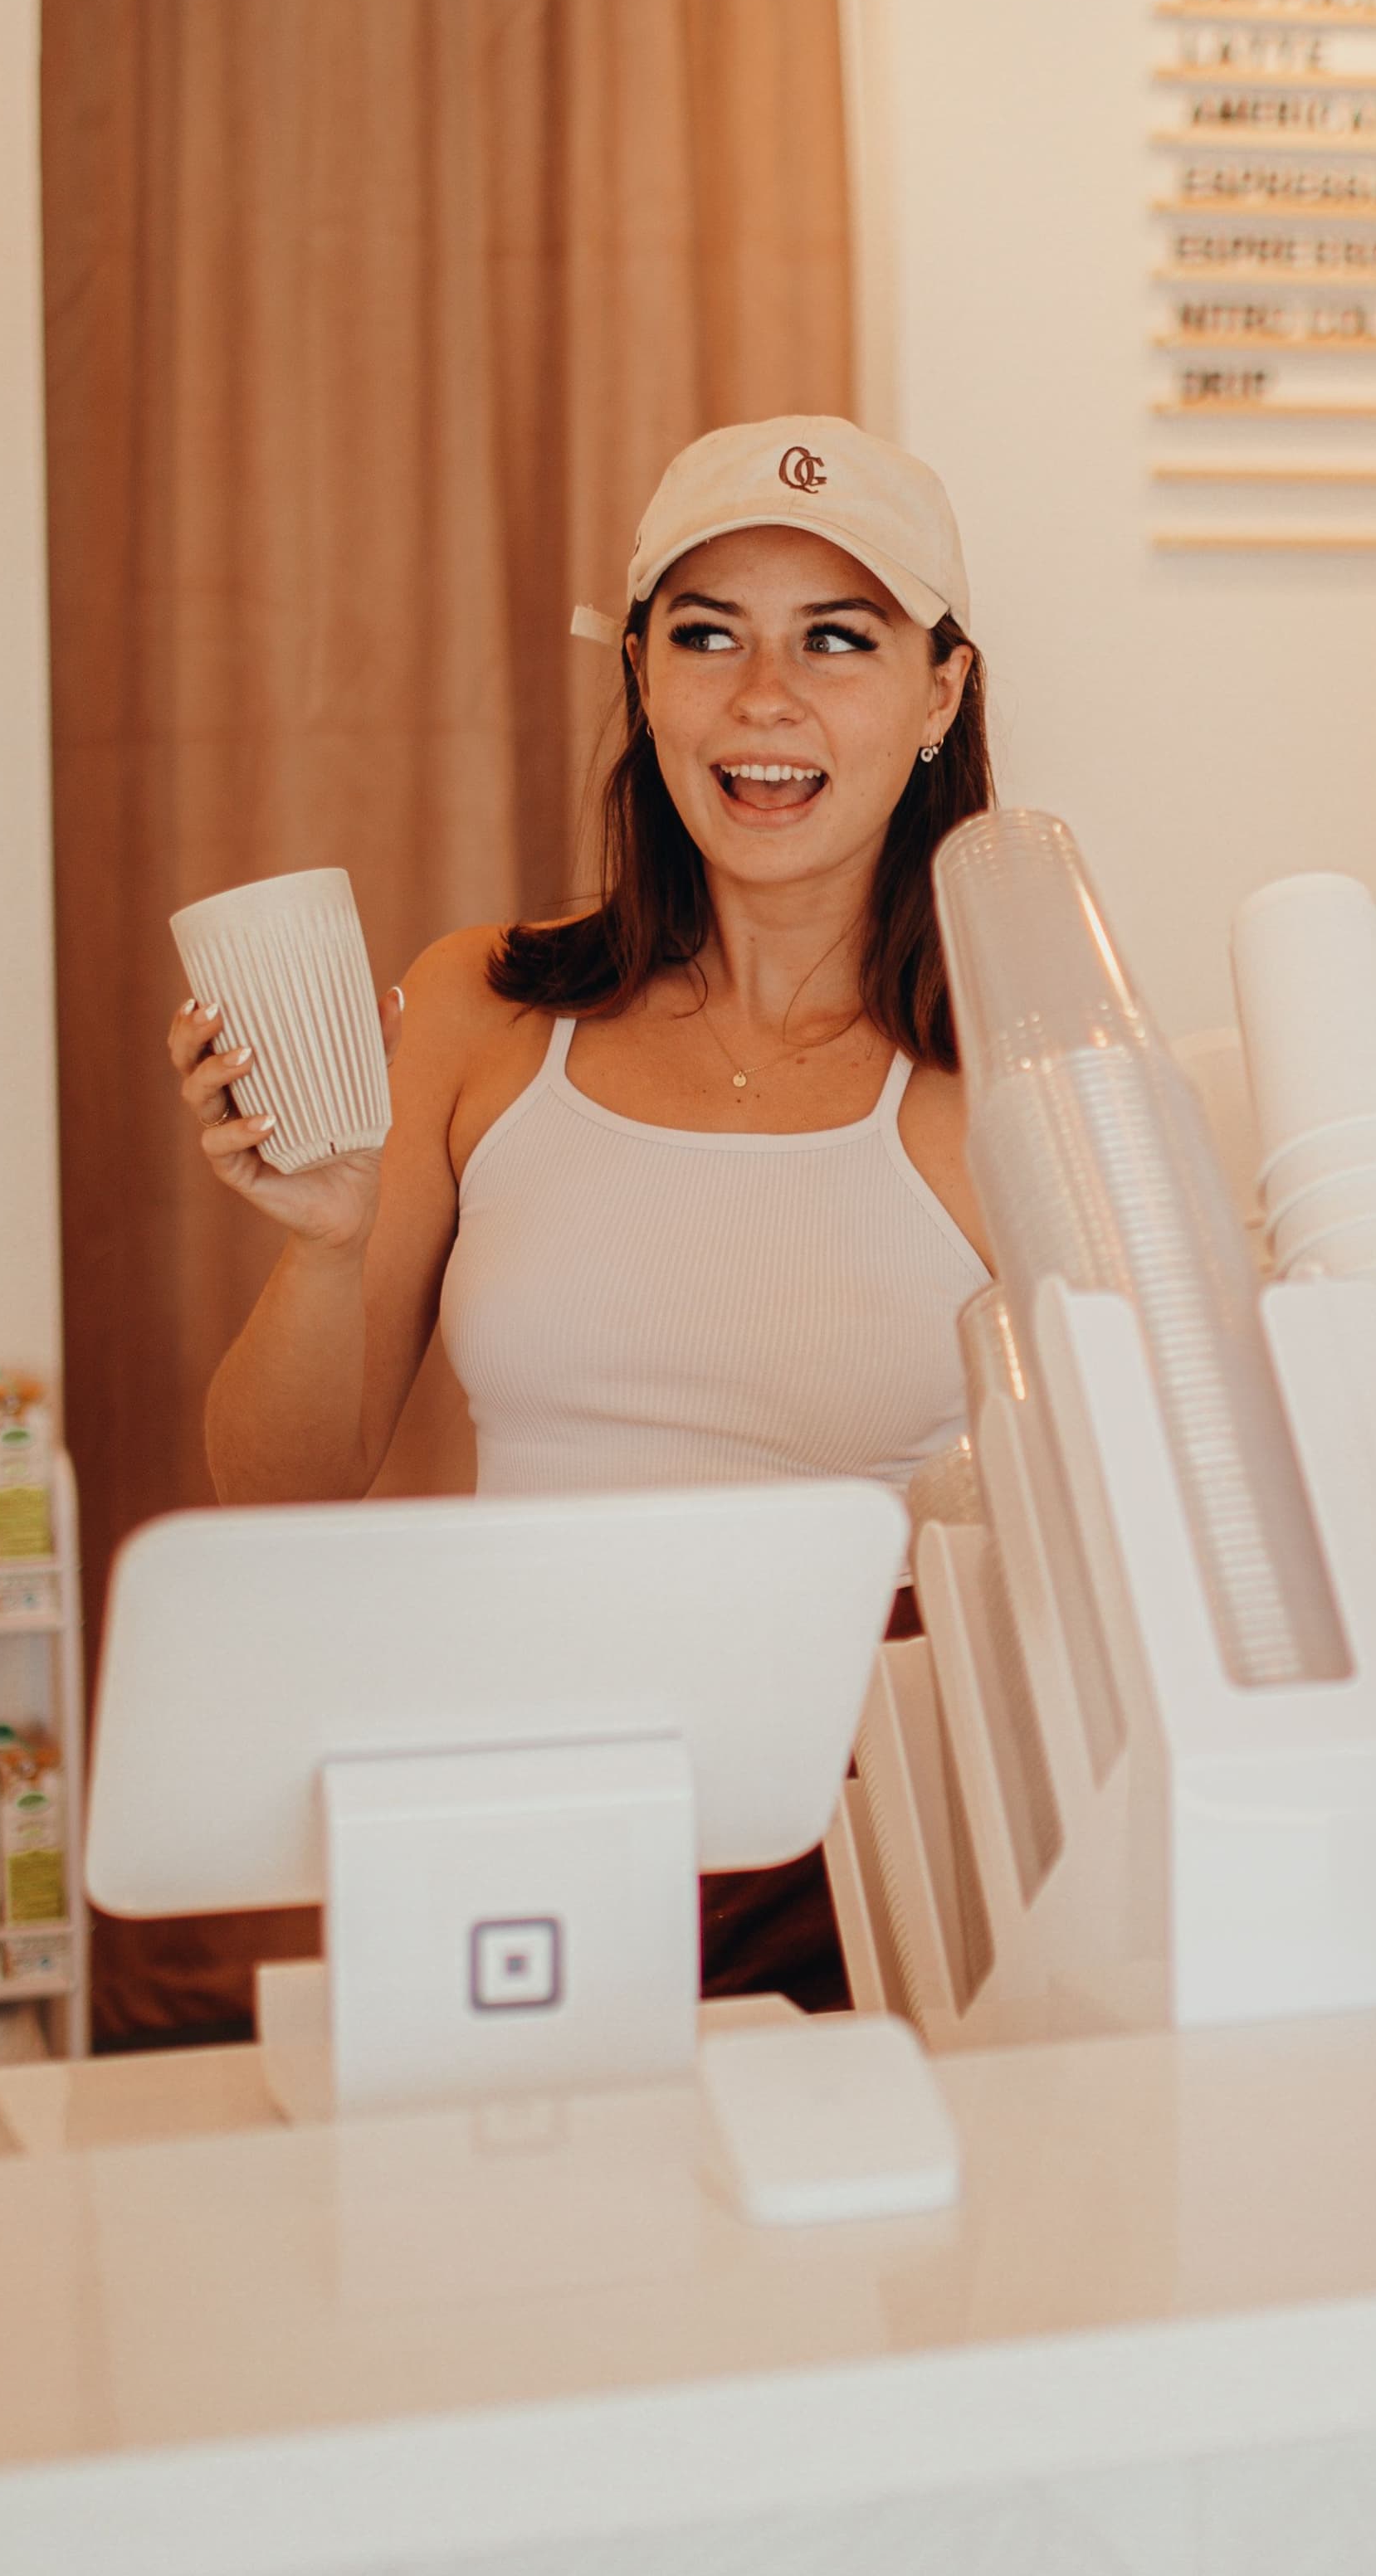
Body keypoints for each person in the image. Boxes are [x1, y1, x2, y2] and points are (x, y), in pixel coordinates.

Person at [170, 416, 995, 2000]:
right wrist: (326, 1246)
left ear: (939, 693)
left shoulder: (1005, 1079)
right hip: (520, 1812)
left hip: (847, 1862)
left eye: (839, 639)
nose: (766, 700)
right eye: (707, 637)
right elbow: (283, 1492)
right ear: (639, 674)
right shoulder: (484, 1010)